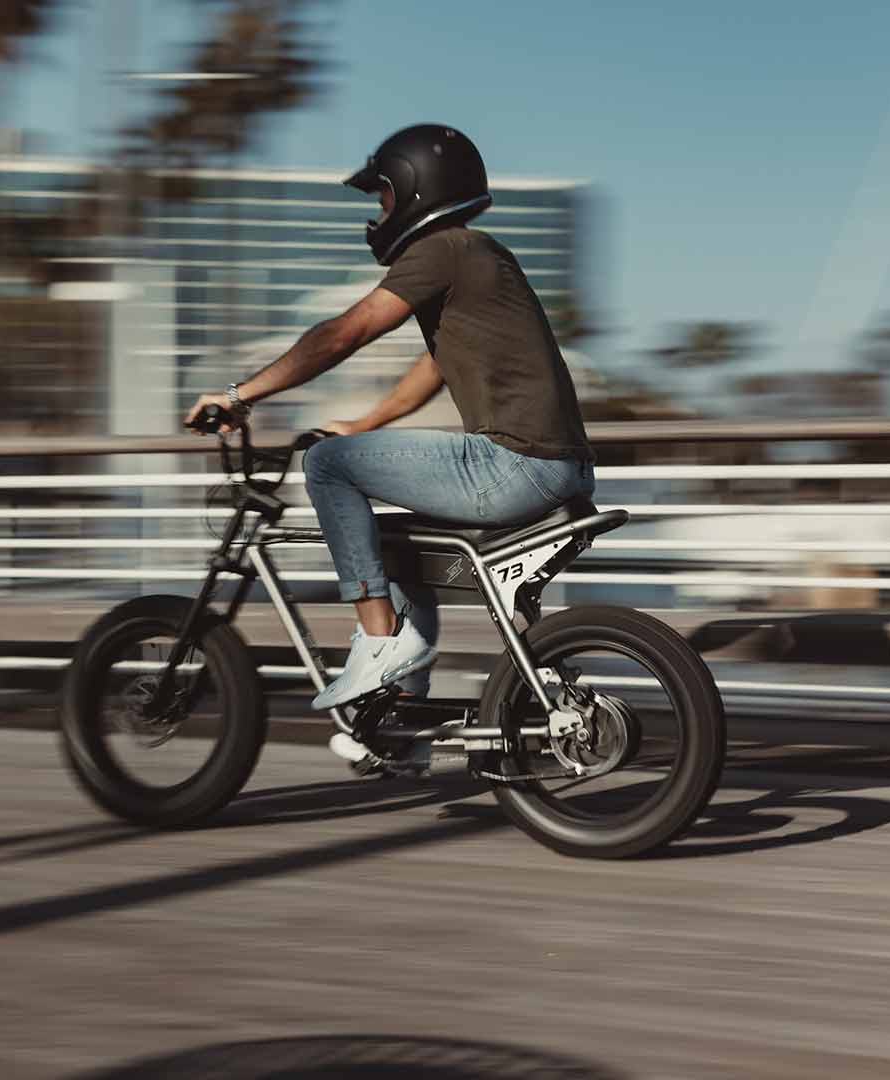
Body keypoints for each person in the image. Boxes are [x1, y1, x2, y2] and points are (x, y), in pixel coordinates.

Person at [184, 123, 596, 762]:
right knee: (397, 549)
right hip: (555, 465)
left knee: (325, 466)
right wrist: (368, 423)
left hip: (513, 461)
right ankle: (400, 726)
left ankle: (379, 642)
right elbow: (434, 367)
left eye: (381, 196)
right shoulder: (480, 254)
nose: (377, 212)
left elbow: (343, 334)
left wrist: (240, 396)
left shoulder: (441, 250)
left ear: (412, 191)